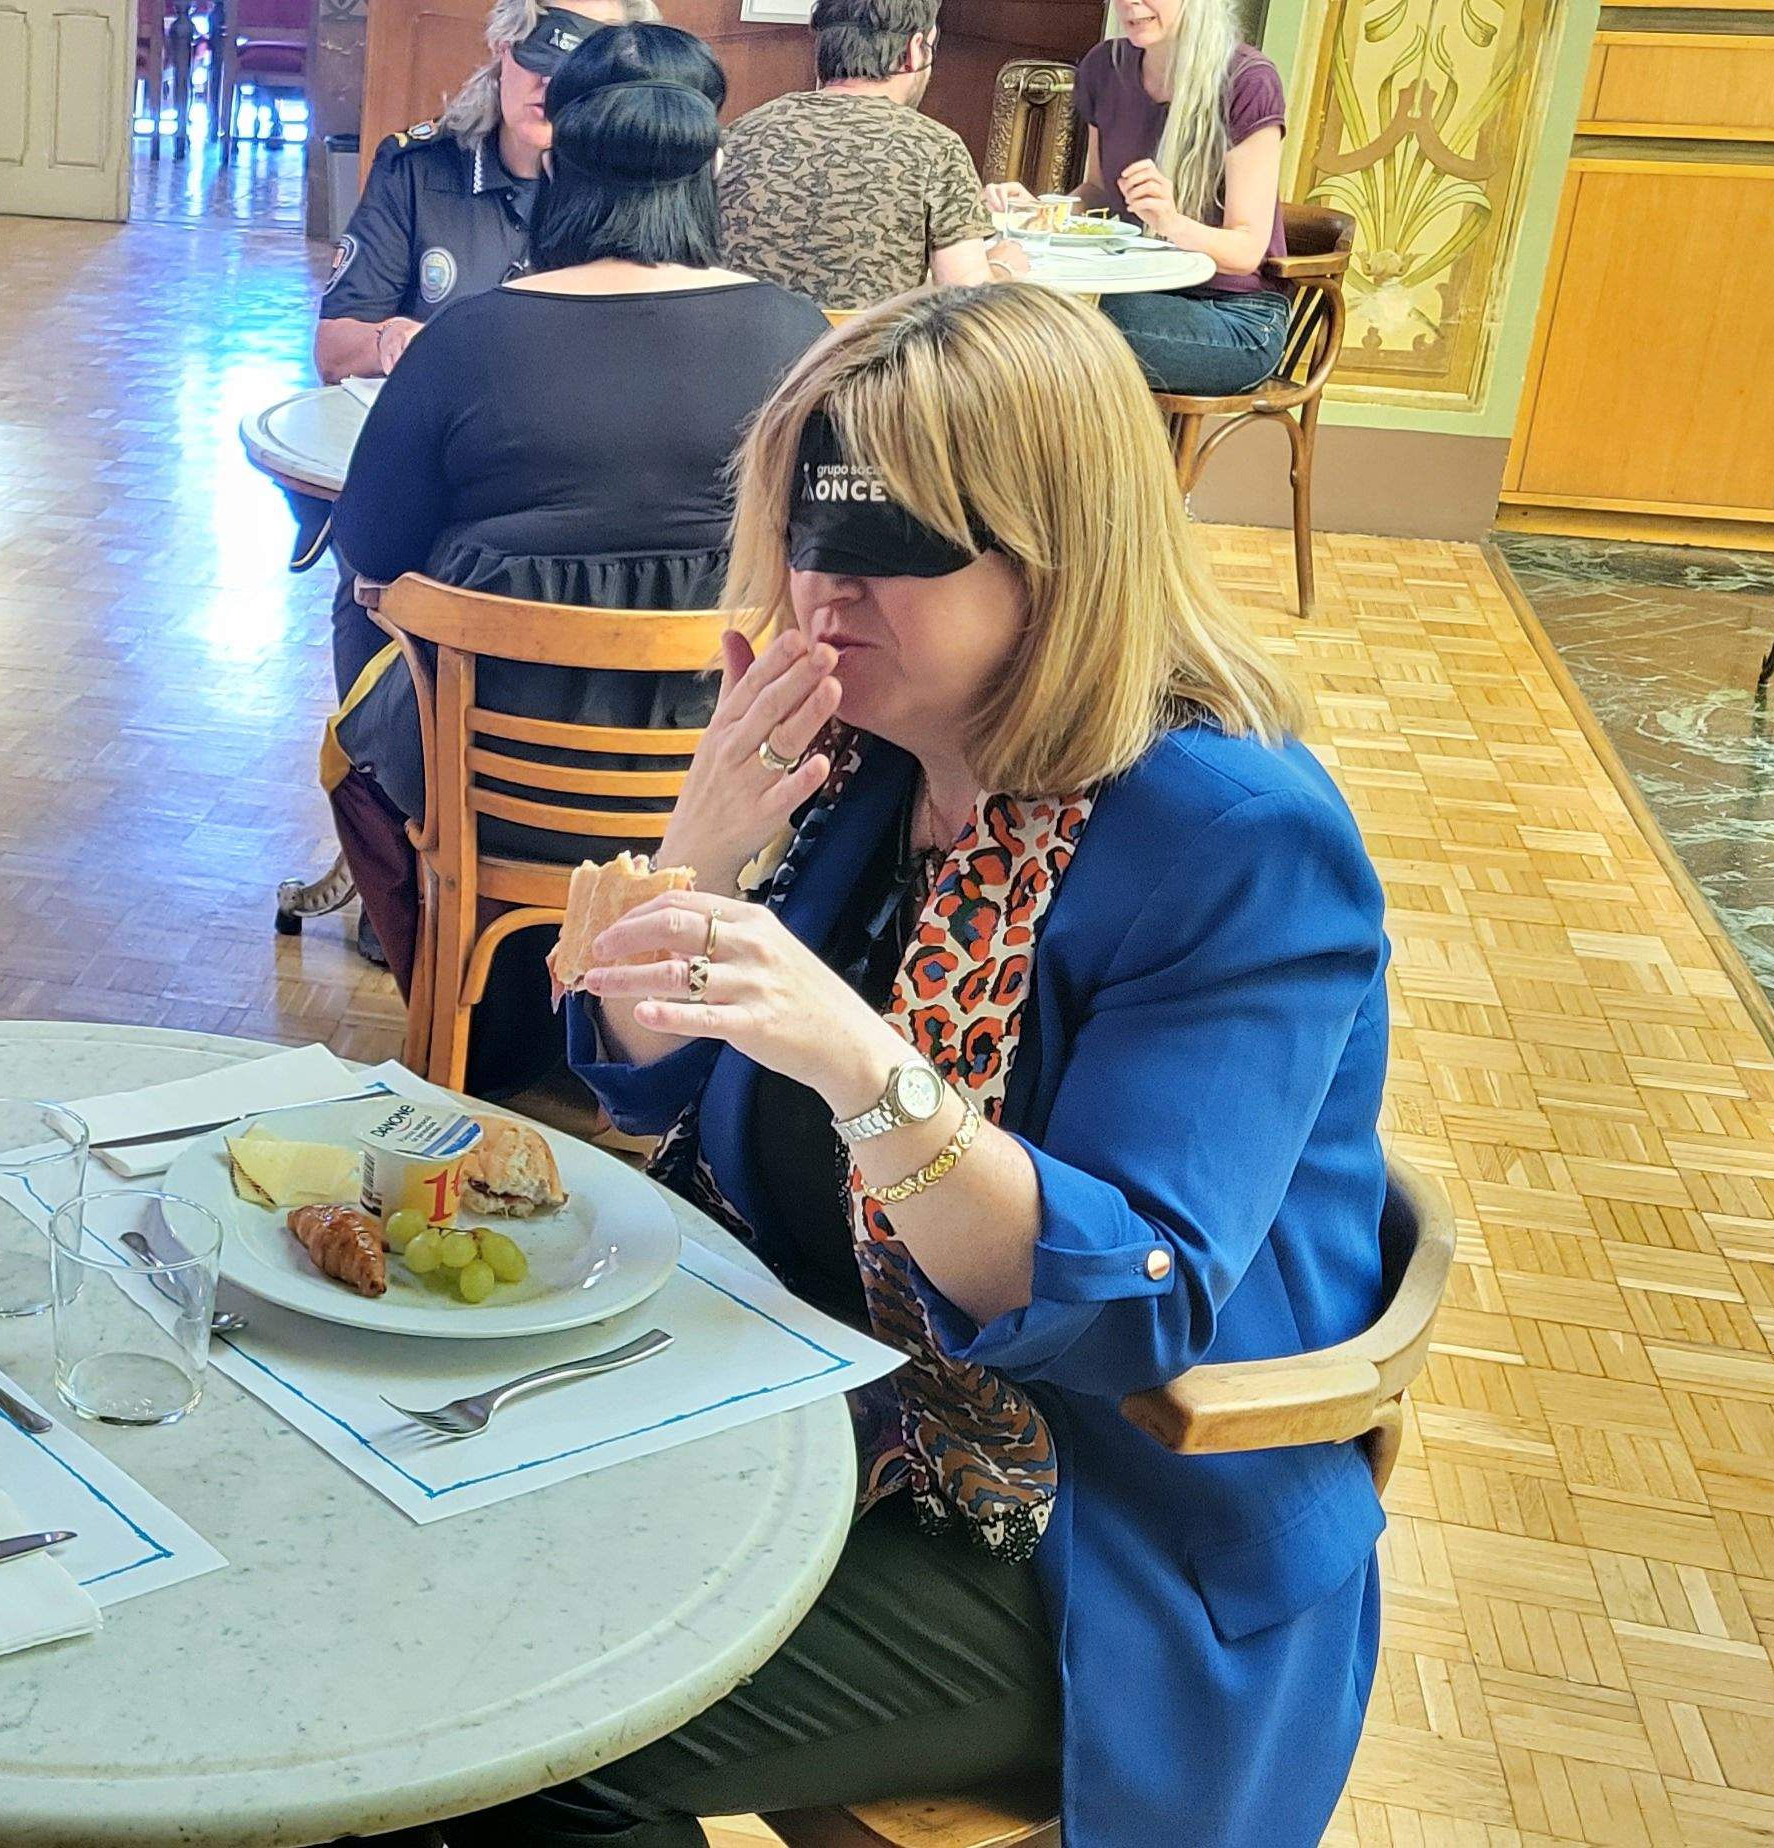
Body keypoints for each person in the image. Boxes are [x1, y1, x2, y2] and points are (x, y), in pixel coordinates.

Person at [499, 282, 1387, 1845]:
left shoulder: (1238, 844)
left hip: (1087, 1540)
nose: (825, 595)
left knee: (534, 1728)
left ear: (1056, 561)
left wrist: (858, 1062)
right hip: (819, 1413)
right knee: (449, 1594)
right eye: (807, 538)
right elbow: (637, 1082)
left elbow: (1136, 1305)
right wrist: (701, 847)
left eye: (890, 547)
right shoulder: (876, 761)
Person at [317, 24, 829, 1093]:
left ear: (557, 168)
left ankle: (476, 1026)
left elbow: (370, 548)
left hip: (493, 791)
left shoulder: (464, 340)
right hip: (730, 783)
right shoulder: (797, 340)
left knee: (360, 687)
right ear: (706, 174)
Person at [312, 0, 645, 386]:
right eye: (539, 53)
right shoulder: (416, 167)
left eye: (578, 65)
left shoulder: (636, 187)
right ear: (503, 48)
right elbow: (333, 353)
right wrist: (391, 338)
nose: (550, 83)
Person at [991, 0, 1287, 394]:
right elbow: (1098, 190)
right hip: (1137, 288)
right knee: (1025, 306)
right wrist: (1040, 211)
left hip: (1235, 318)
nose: (1131, 3)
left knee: (1064, 320)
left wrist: (1172, 223)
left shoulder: (1250, 81)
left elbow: (1247, 251)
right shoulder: (1104, 68)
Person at [715, 0, 1025, 311]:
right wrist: (1002, 267)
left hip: (739, 352)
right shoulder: (937, 148)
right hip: (867, 356)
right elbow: (963, 302)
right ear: (915, 49)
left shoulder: (738, 133)